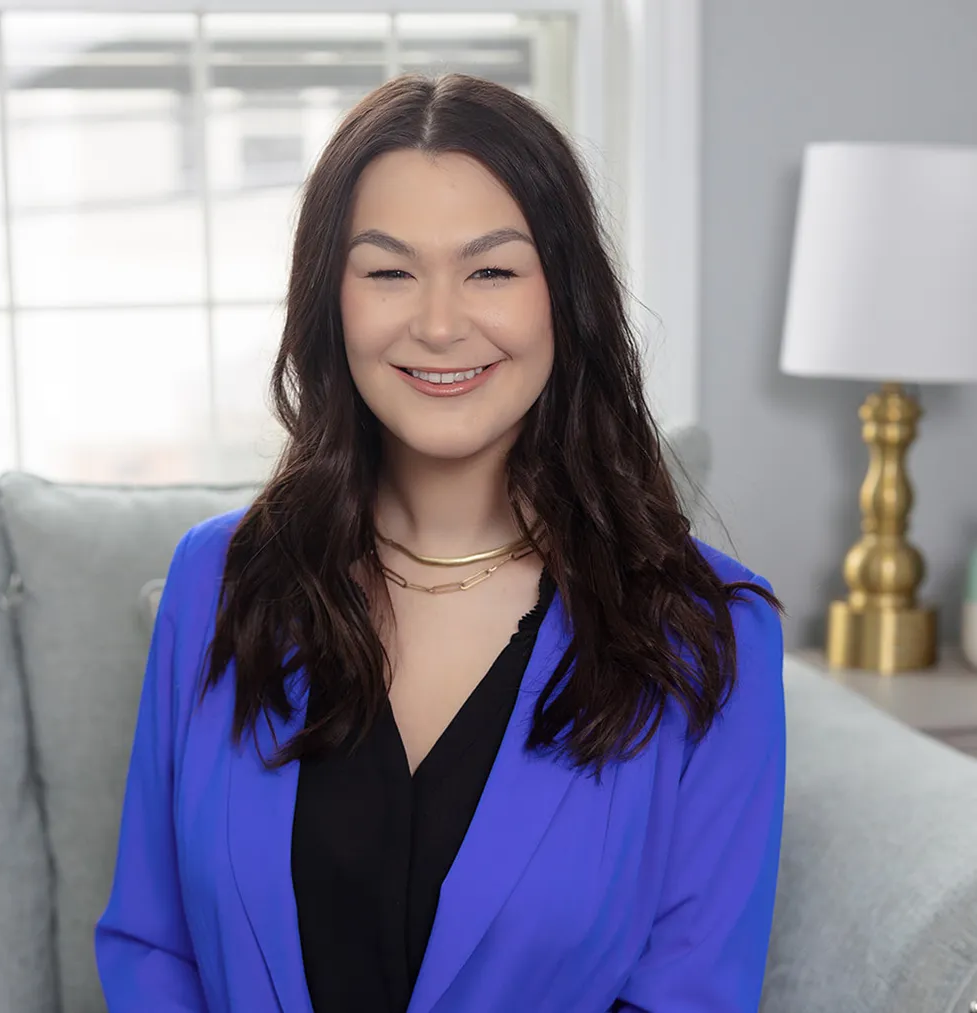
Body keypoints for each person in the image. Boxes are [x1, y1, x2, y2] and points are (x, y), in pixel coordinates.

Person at [95, 72, 786, 1013]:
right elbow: (151, 942)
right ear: (330, 302)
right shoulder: (217, 581)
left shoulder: (706, 633)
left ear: (565, 296)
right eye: (388, 272)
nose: (438, 323)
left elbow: (690, 994)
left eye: (491, 271)